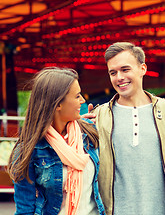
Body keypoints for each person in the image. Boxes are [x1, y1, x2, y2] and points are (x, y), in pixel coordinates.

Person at [89, 42, 165, 214]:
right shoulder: (98, 116)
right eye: (113, 72)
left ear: (143, 69)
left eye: (125, 70)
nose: (119, 77)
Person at [7, 67, 105, 215]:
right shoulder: (29, 150)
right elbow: (24, 210)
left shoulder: (89, 133)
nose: (83, 101)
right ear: (58, 104)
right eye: (77, 96)